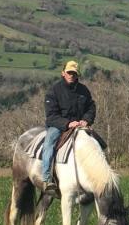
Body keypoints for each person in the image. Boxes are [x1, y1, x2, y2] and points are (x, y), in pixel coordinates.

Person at [40, 60, 96, 193]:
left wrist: (86, 120)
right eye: (69, 72)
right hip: (58, 125)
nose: (71, 75)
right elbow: (51, 115)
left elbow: (91, 107)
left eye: (74, 73)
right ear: (63, 73)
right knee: (49, 142)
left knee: (99, 143)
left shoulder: (84, 90)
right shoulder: (54, 90)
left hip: (79, 125)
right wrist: (67, 123)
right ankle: (47, 178)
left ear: (78, 75)